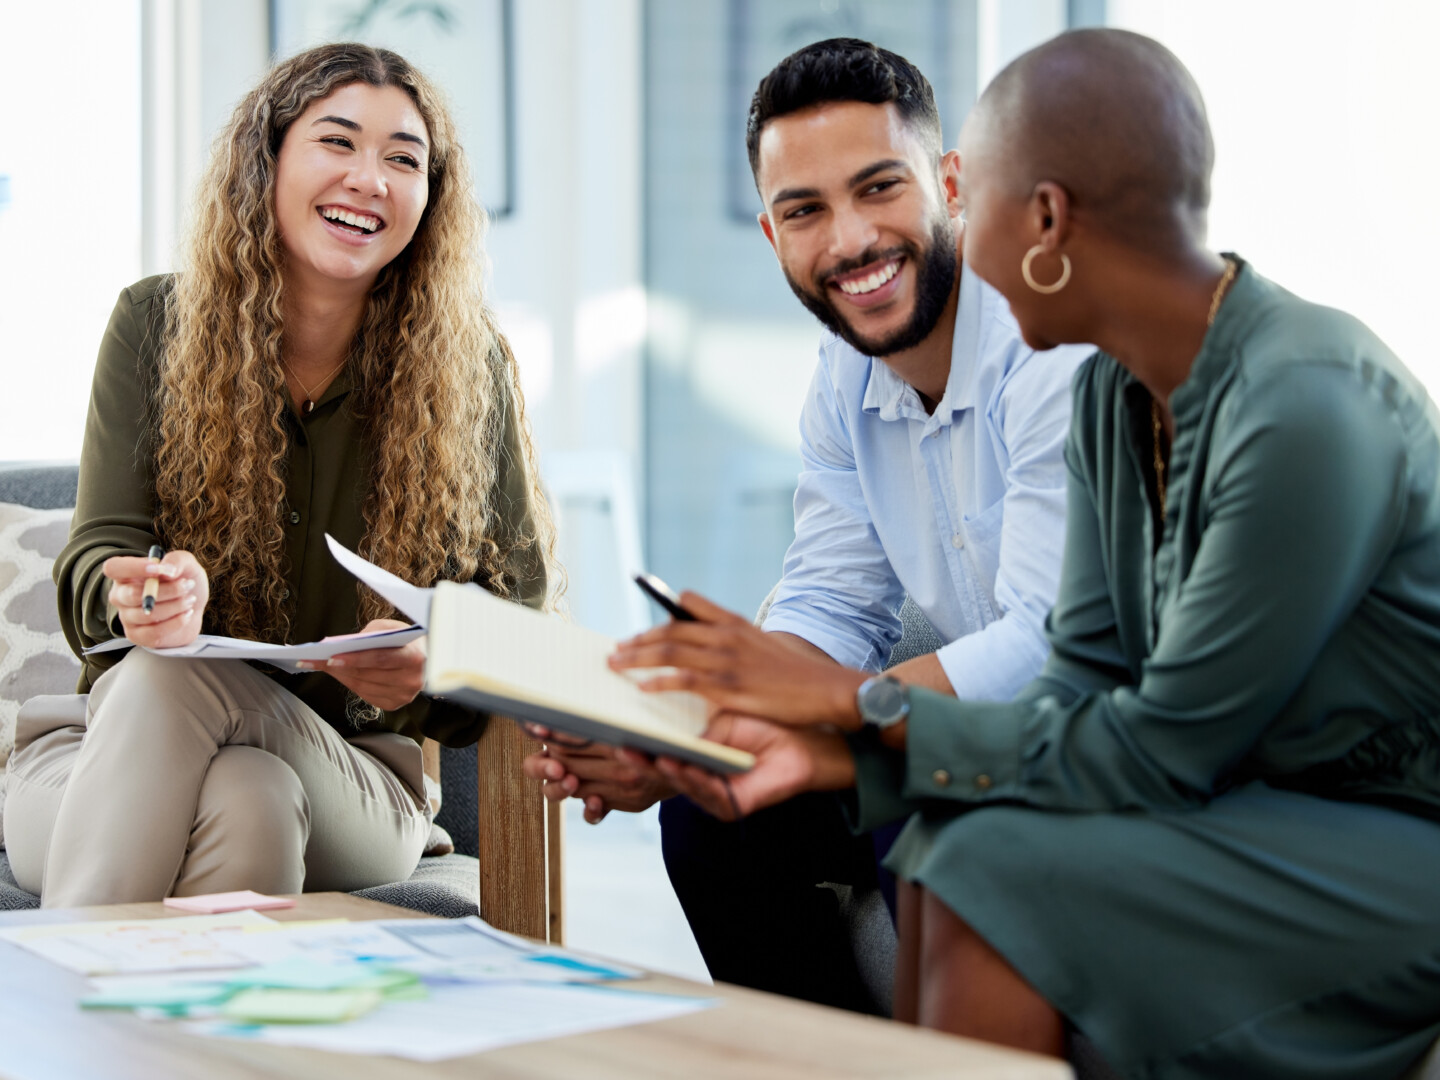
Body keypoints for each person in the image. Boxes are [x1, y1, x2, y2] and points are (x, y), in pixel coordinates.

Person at [609, 27, 1440, 1078]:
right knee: (958, 848)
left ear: (1035, 216)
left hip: (1370, 826)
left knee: (977, 859)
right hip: (1212, 784)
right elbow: (1081, 675)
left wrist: (840, 729)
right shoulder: (1111, 395)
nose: (961, 255)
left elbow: (1155, 743)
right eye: (806, 209)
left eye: (968, 194)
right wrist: (773, 734)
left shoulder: (1303, 405)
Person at [524, 38, 1091, 1011]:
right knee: (713, 816)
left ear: (950, 183)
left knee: (905, 788)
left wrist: (830, 707)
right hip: (954, 699)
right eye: (806, 211)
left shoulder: (1047, 348)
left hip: (1081, 724)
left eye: (879, 188)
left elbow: (1048, 642)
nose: (850, 240)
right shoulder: (846, 373)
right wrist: (683, 735)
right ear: (772, 233)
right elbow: (833, 593)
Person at [3, 43, 554, 909]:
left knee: (178, 689)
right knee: (248, 798)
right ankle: (187, 1045)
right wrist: (142, 596)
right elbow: (100, 553)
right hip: (93, 755)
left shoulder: (466, 368)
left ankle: (56, 1010)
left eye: (402, 159)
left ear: (430, 198)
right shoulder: (154, 325)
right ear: (268, 160)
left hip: (356, 777)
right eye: (337, 142)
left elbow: (520, 621)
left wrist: (431, 664)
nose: (369, 178)